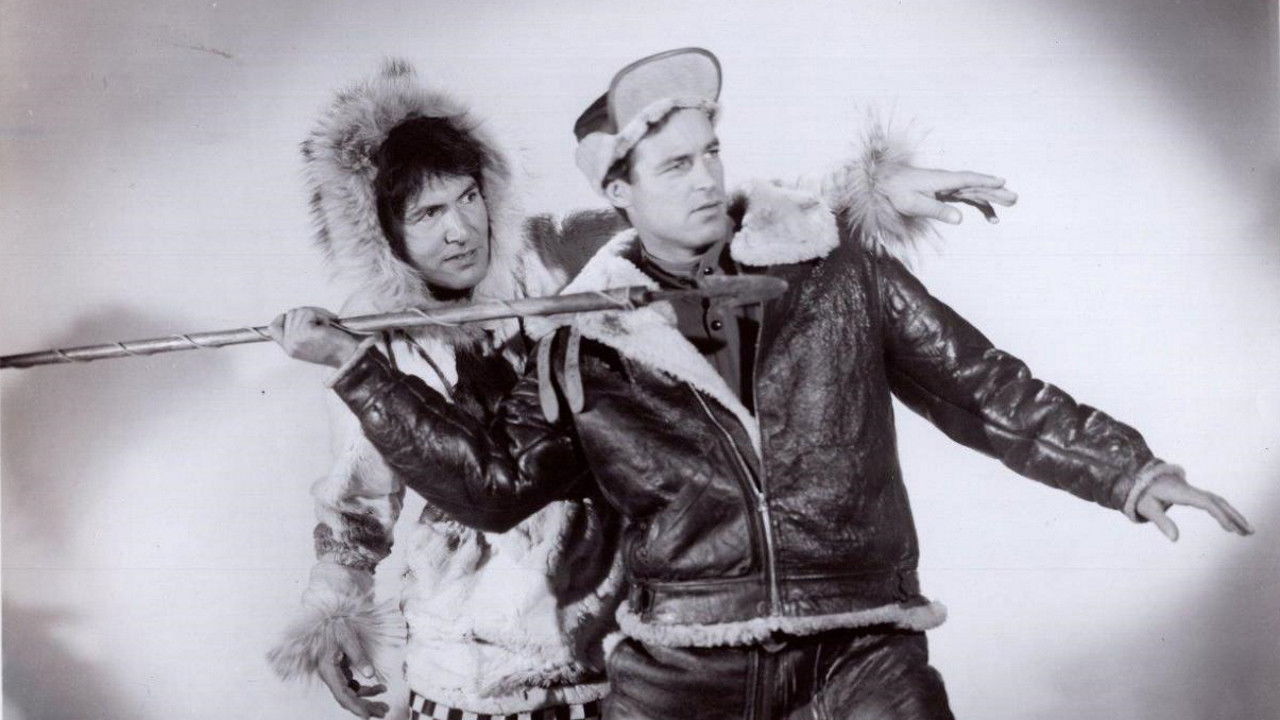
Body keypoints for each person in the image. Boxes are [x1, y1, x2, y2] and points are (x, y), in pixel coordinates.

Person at [266, 57, 1014, 720]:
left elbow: (713, 216)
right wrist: (333, 618)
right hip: (469, 667)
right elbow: (354, 512)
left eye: (467, 199)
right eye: (427, 214)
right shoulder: (367, 348)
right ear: (383, 233)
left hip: (617, 646)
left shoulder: (566, 257)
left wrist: (868, 191)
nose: (460, 230)